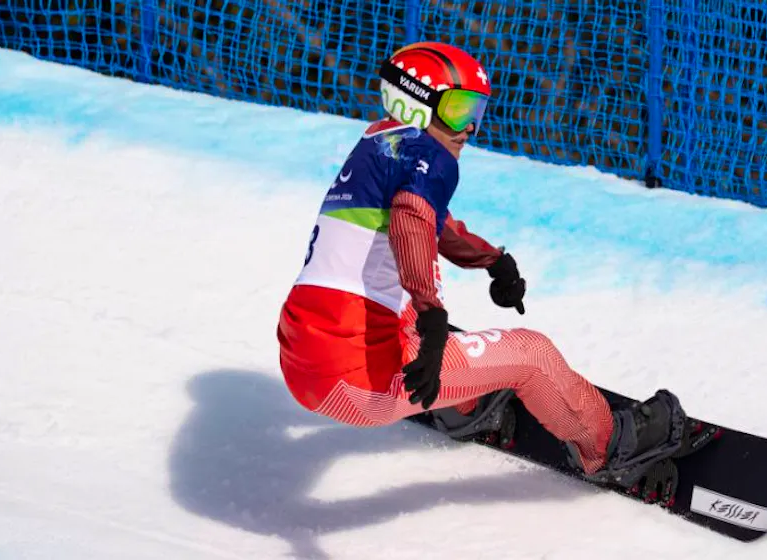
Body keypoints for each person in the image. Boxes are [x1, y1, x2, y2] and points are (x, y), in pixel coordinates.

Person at [277, 41, 712, 504]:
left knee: (413, 313)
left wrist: (491, 260)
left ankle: (463, 405)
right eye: (458, 110)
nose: (469, 128)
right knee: (532, 354)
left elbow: (430, 219)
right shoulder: (429, 153)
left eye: (476, 112)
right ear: (416, 103)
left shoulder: (379, 143)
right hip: (355, 380)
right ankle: (608, 448)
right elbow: (412, 220)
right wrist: (431, 316)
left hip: (302, 355)